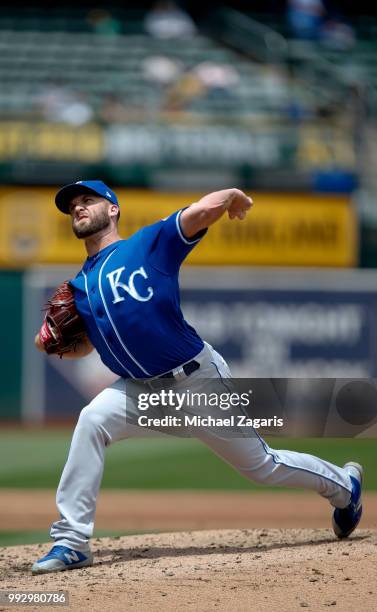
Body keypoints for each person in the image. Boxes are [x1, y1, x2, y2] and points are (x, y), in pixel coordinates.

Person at [31, 180, 363, 574]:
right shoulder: (80, 287)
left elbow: (199, 212)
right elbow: (84, 347)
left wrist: (230, 197)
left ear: (114, 209)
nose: (79, 208)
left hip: (196, 381)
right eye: (73, 206)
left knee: (262, 467)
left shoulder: (148, 244)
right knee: (92, 421)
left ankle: (344, 486)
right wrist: (48, 342)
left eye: (88, 200)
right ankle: (72, 542)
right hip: (140, 391)